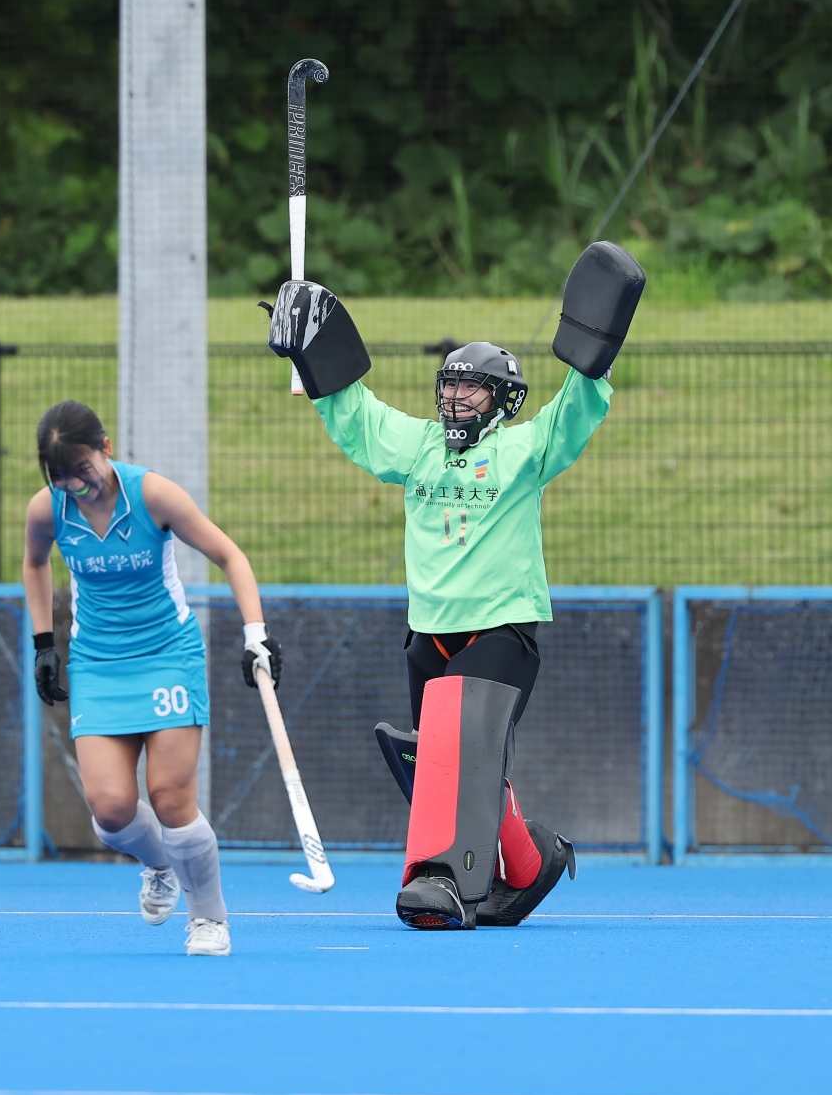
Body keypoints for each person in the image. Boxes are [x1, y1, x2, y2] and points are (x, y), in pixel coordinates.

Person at [268, 241, 644, 930]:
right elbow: (356, 415)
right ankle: (529, 867)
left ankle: (441, 880)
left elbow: (576, 406)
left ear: (503, 400)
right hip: (428, 634)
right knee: (454, 766)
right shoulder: (417, 447)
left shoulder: (524, 449)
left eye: (471, 387)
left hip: (501, 629)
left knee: (457, 757)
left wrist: (596, 352)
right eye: (448, 385)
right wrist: (312, 351)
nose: (454, 396)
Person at [21, 400, 280, 957]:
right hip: (98, 664)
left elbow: (230, 555)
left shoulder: (153, 495)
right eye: (60, 475)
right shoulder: (47, 509)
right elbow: (35, 563)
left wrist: (255, 633)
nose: (75, 485)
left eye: (83, 469)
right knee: (110, 810)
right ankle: (161, 864)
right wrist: (44, 643)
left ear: (106, 449)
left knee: (169, 795)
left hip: (167, 655)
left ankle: (208, 918)